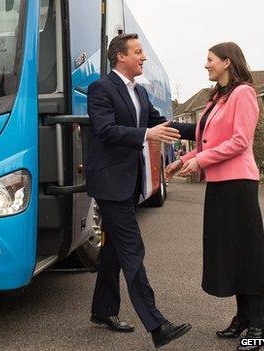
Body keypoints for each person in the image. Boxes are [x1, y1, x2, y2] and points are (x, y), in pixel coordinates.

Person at [86, 33, 196, 349]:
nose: (143, 57)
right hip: (110, 184)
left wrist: (206, 128)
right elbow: (105, 131)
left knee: (113, 250)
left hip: (128, 184)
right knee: (132, 250)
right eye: (138, 52)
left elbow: (166, 126)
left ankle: (103, 311)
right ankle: (157, 325)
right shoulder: (100, 89)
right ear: (121, 56)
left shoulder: (141, 93)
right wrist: (147, 133)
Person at [165, 42, 264, 351]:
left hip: (240, 184)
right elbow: (209, 142)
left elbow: (239, 141)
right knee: (229, 252)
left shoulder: (244, 94)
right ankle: (242, 317)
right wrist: (183, 160)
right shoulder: (217, 98)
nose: (206, 65)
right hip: (220, 185)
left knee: (248, 253)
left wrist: (200, 161)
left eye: (210, 60)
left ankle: (259, 324)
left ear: (227, 62)